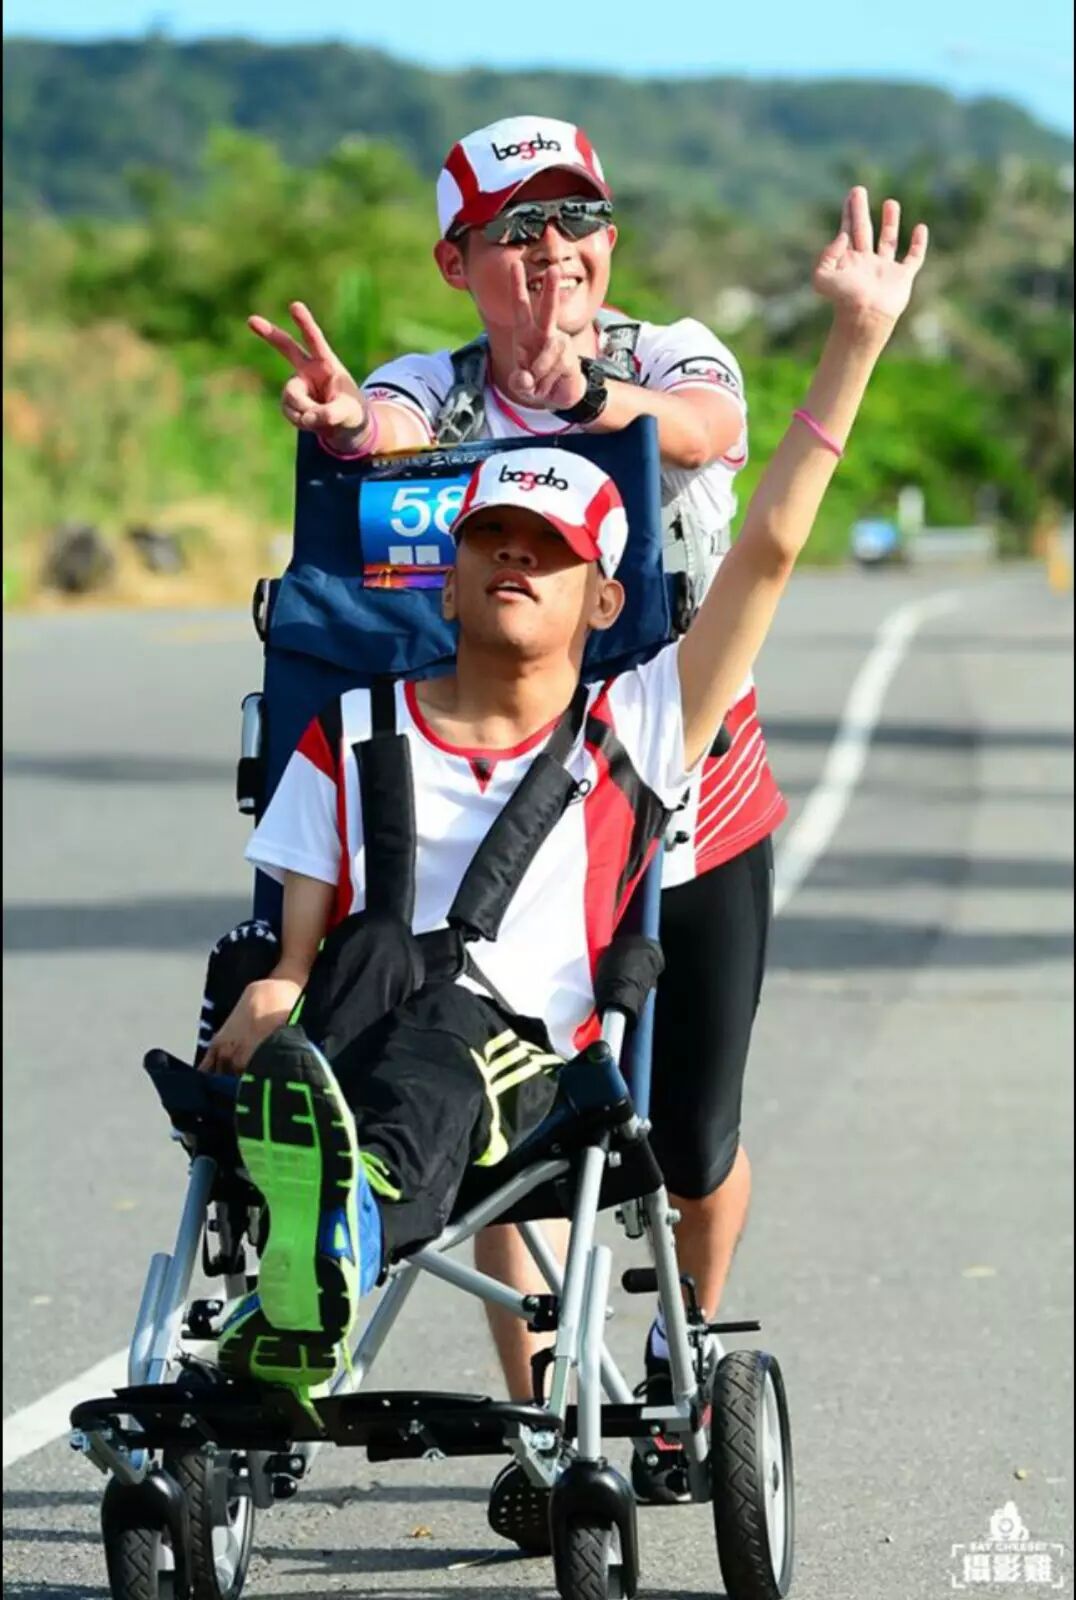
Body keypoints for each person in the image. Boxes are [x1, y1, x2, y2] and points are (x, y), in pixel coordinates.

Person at [203, 191, 927, 1412]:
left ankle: (337, 1236)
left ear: (602, 597)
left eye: (544, 549)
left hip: (525, 1048)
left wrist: (854, 341)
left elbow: (768, 546)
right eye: (490, 540)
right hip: (360, 1027)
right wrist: (279, 983)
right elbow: (304, 939)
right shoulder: (358, 727)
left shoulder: (637, 719)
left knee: (473, 1041)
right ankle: (323, 1229)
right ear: (443, 583)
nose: (512, 559)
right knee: (371, 960)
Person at [247, 114, 789, 1504]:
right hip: (506, 817)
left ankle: (679, 1341)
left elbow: (709, 431)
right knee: (522, 1133)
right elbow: (382, 430)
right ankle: (548, 1418)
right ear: (458, 261)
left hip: (683, 802)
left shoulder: (669, 354)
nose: (554, 250)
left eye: (576, 219)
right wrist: (344, 425)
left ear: (608, 240)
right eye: (516, 229)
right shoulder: (433, 389)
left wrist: (592, 400)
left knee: (690, 1139)